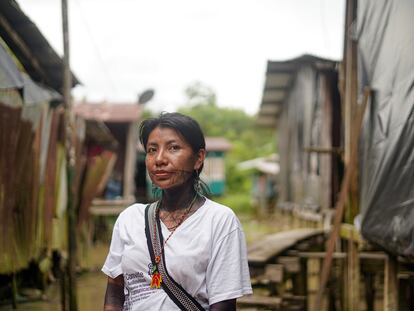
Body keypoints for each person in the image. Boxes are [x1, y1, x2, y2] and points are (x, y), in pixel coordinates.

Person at [102, 112, 252, 310]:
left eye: (173, 148)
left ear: (198, 158)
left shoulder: (219, 221)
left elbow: (223, 305)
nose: (160, 159)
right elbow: (114, 290)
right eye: (152, 150)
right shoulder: (130, 219)